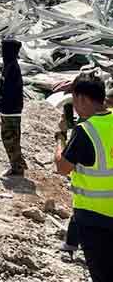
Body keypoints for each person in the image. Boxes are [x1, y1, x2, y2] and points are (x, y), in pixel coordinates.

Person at [55, 74, 113, 282]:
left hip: (93, 216)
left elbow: (63, 167)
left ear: (83, 99)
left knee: (101, 274)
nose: (75, 108)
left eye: (75, 100)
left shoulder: (85, 131)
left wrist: (60, 138)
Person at [0, 37, 26, 177]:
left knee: (10, 140)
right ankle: (17, 164)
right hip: (8, 110)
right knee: (10, 139)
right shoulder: (9, 66)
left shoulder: (12, 68)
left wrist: (1, 103)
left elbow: (11, 92)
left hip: (11, 111)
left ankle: (17, 168)